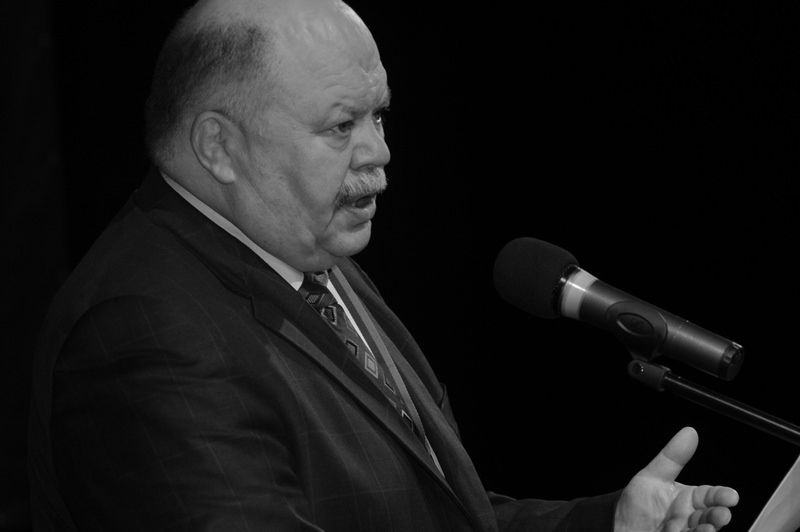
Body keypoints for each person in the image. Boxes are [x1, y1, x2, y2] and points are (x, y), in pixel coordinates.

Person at [28, 0, 739, 530]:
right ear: (220, 147)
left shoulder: (310, 261)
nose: (380, 152)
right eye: (342, 125)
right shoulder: (142, 329)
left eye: (380, 117)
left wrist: (609, 524)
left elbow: (438, 513)